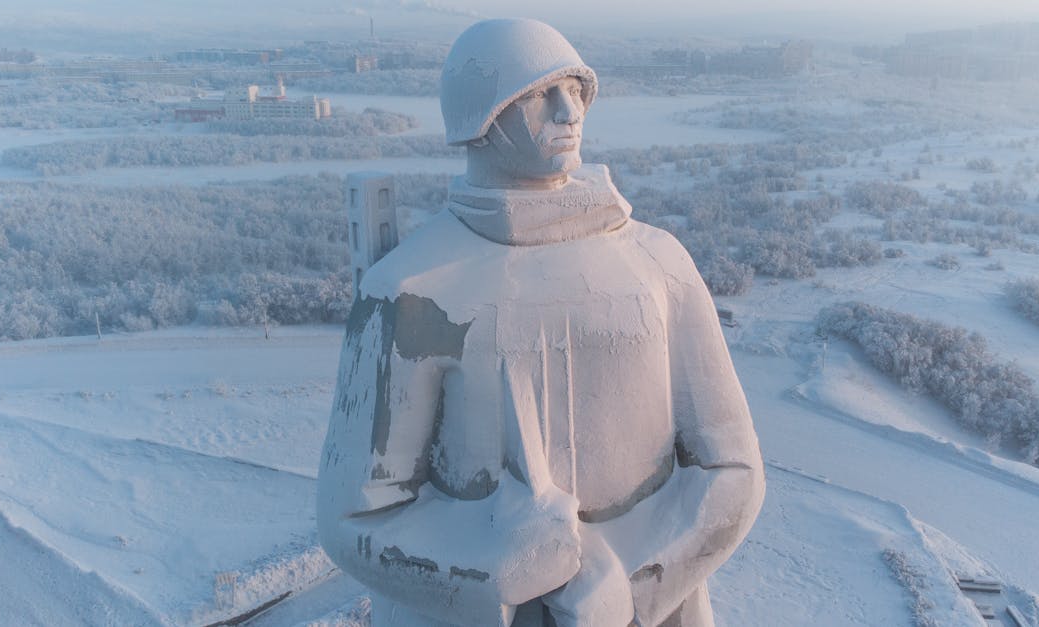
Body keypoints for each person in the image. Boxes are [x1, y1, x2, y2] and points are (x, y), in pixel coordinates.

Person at [317, 18, 764, 627]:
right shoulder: (411, 290)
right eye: (536, 93)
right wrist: (490, 569)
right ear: (479, 115)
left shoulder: (659, 264)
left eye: (576, 89)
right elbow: (354, 519)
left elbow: (733, 470)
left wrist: (635, 585)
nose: (567, 111)